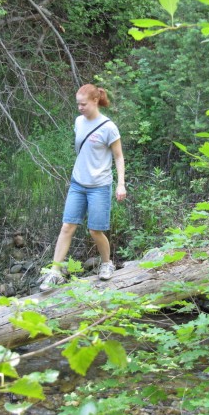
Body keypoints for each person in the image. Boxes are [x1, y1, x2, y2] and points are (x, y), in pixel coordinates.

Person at [38, 84, 126, 291]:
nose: (80, 108)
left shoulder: (108, 127)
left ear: (95, 101)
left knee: (95, 230)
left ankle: (106, 264)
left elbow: (118, 156)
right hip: (78, 183)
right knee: (67, 226)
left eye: (83, 104)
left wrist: (120, 184)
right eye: (77, 104)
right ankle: (55, 273)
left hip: (99, 186)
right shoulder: (79, 122)